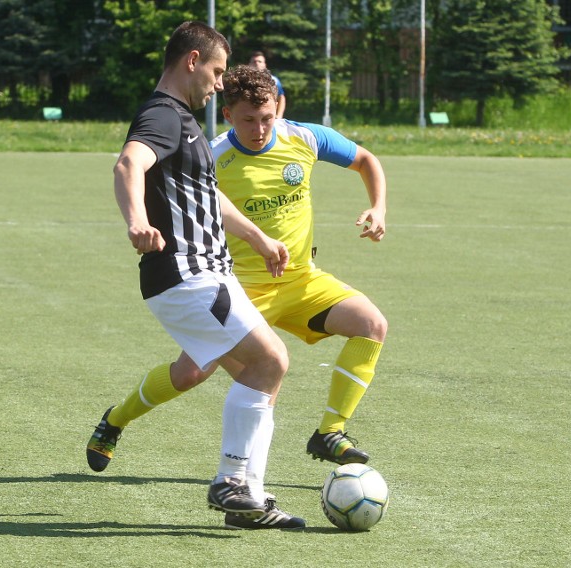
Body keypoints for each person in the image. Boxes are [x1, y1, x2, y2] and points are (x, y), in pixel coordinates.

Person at [87, 22, 306, 530]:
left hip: (206, 274)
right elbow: (127, 165)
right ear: (191, 61)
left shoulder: (185, 124)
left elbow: (208, 198)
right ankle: (230, 482)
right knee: (271, 360)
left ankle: (248, 499)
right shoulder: (164, 115)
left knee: (262, 378)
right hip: (189, 273)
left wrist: (257, 237)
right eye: (216, 70)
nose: (219, 82)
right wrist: (137, 222)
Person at [216, 64, 388, 464]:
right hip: (242, 291)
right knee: (192, 372)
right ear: (228, 115)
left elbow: (366, 160)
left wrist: (378, 208)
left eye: (267, 118)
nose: (260, 129)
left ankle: (329, 433)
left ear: (278, 107)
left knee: (371, 325)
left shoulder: (304, 136)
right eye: (248, 120)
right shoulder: (213, 156)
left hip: (301, 281)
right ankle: (117, 421)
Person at [249, 51, 286, 119]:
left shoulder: (273, 80)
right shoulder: (244, 81)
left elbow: (281, 98)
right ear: (249, 64)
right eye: (254, 61)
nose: (257, 63)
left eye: (259, 61)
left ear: (264, 65)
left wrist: (279, 115)